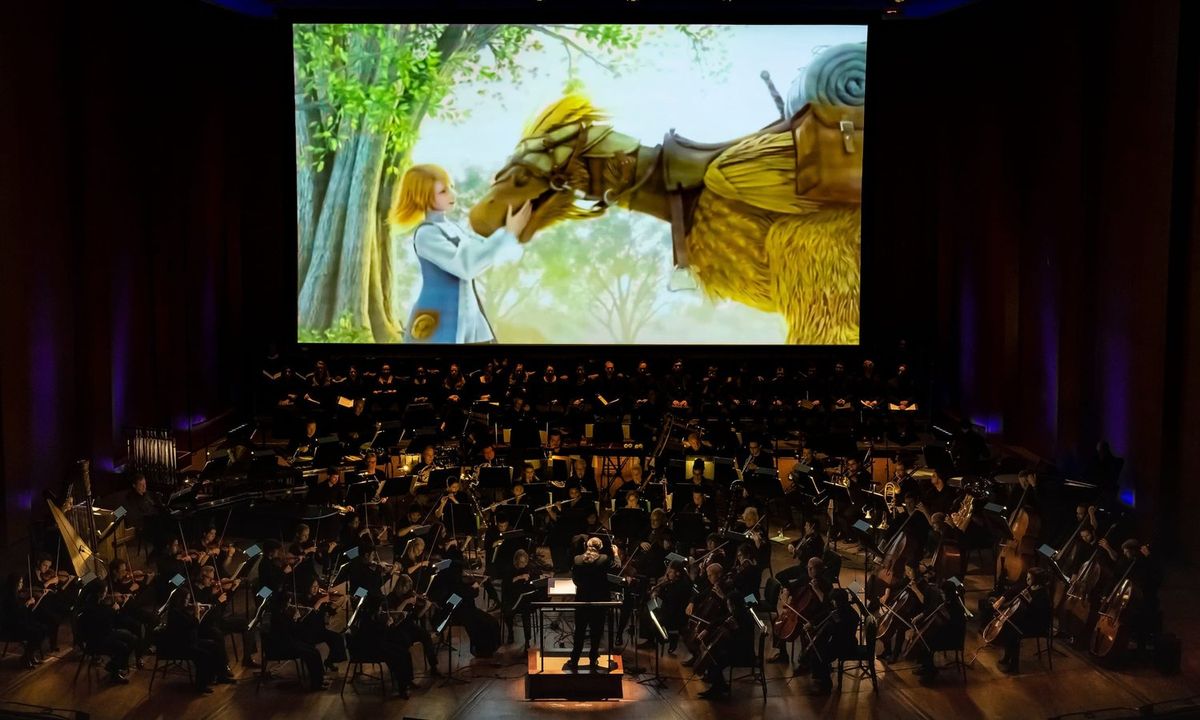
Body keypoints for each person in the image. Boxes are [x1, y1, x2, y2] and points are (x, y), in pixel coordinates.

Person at [390, 163, 532, 344]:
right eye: (443, 192)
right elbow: (466, 266)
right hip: (440, 317)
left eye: (451, 187)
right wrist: (507, 233)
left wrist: (499, 200)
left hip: (468, 316)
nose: (452, 195)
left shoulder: (454, 228)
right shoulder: (427, 234)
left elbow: (483, 248)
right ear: (422, 197)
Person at [564, 537, 613, 672]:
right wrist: (615, 554)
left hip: (582, 600)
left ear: (586, 545)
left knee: (579, 631)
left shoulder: (577, 559)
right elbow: (611, 575)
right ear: (600, 547)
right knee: (596, 632)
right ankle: (593, 658)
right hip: (598, 601)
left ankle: (574, 659)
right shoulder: (604, 559)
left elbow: (575, 580)